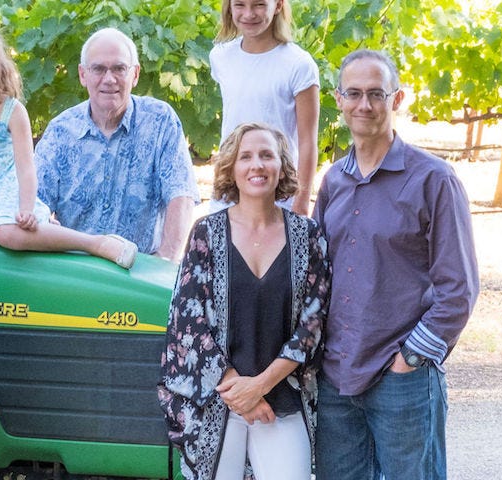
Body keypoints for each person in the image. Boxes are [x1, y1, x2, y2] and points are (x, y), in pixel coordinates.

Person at [311, 49, 478, 480]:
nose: (364, 105)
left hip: (400, 378)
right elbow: (316, 276)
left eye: (376, 94)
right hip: (336, 379)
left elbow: (458, 289)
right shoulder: (333, 181)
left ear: (397, 99)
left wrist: (410, 359)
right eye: (354, 94)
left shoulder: (433, 179)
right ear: (339, 100)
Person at [157, 123, 330, 480]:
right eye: (245, 156)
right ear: (231, 169)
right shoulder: (206, 233)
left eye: (267, 155)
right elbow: (188, 325)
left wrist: (259, 386)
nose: (257, 165)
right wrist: (240, 392)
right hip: (217, 399)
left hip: (281, 399)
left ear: (281, 166)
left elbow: (312, 326)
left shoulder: (308, 236)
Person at [0, 22, 136, 268]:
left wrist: (26, 209)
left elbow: (26, 168)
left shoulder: (11, 111)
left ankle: (95, 243)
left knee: (8, 234)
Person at [35, 28, 201, 261]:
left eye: (119, 69)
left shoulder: (160, 121)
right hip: (75, 271)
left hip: (140, 270)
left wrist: (166, 258)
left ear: (135, 74)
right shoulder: (61, 131)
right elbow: (35, 202)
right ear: (83, 75)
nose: (109, 79)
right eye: (99, 69)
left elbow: (181, 194)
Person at [209, 0, 320, 215]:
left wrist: (301, 203)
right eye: (240, 5)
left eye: (259, 5)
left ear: (278, 5)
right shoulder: (221, 57)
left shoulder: (298, 64)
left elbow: (308, 142)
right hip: (232, 189)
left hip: (277, 191)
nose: (249, 14)